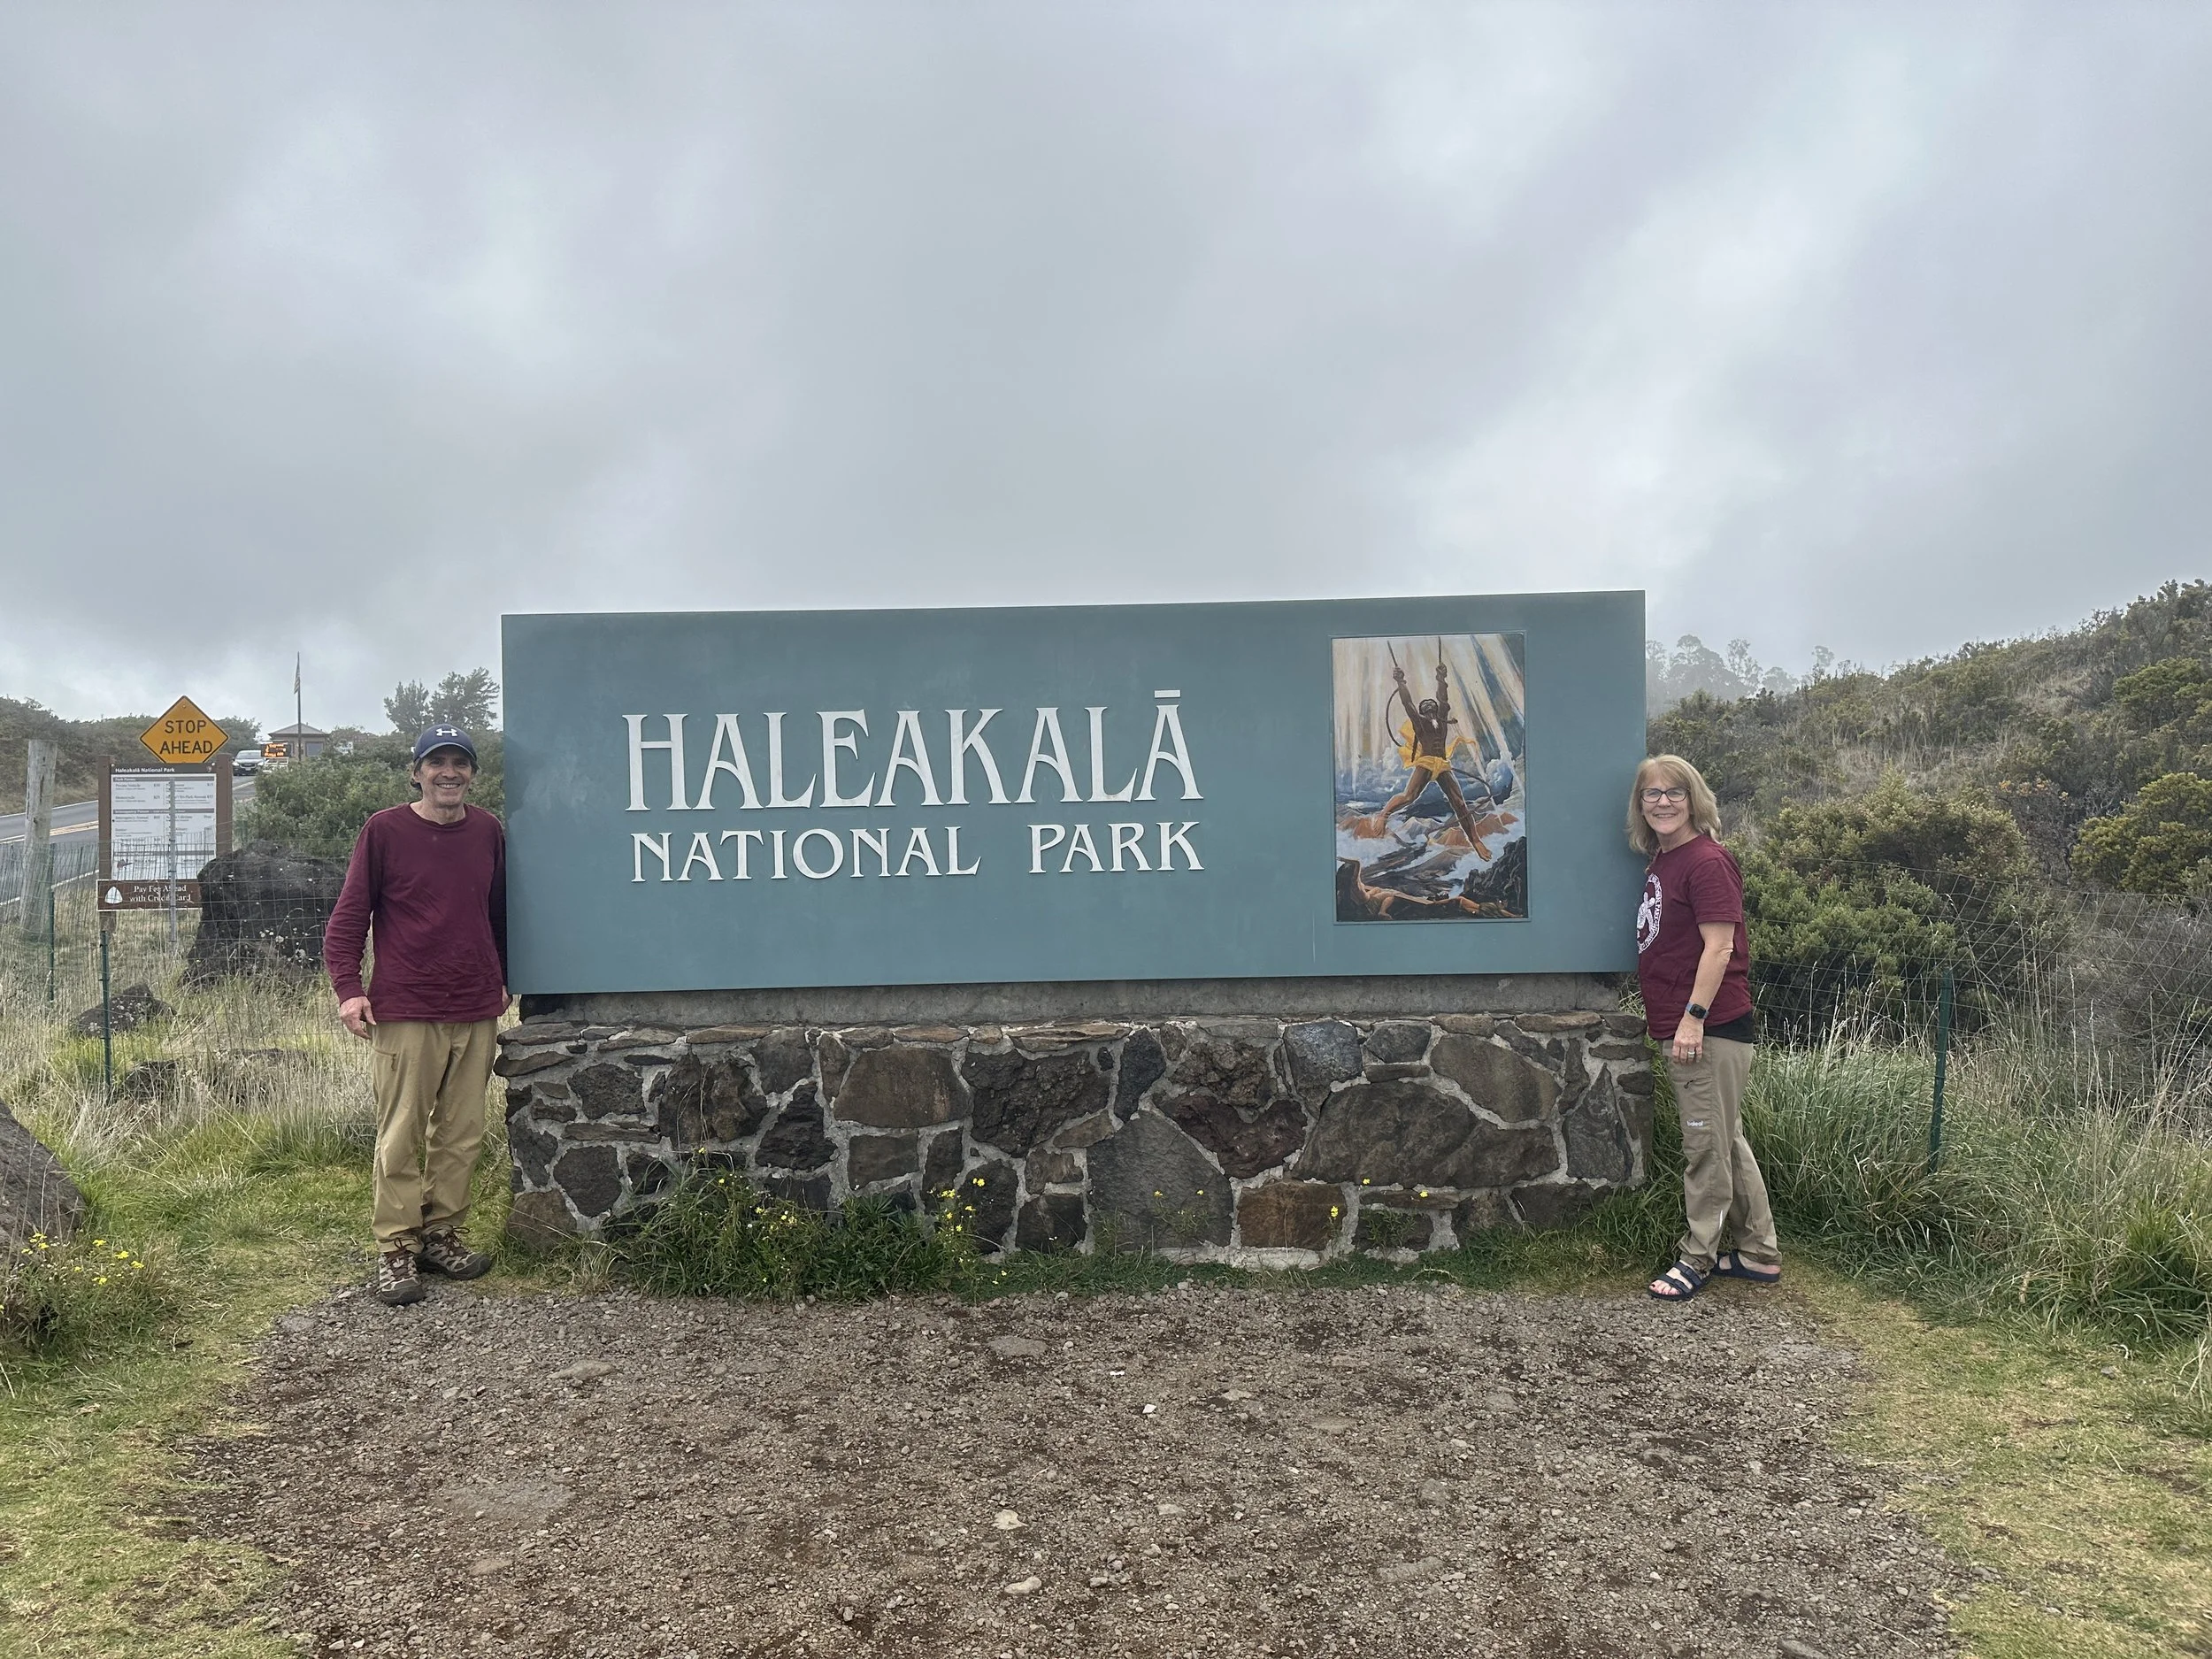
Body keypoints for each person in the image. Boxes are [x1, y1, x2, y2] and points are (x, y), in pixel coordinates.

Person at [325, 726, 508, 1307]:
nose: (448, 772)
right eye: (437, 762)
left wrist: (508, 977)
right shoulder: (385, 830)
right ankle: (396, 1247)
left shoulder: (487, 831)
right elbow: (348, 918)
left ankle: (441, 1234)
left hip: (476, 1006)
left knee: (462, 1133)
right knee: (401, 1132)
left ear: (472, 773)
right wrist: (349, 990)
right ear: (416, 771)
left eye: (459, 762)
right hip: (405, 1006)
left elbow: (500, 911)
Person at [1629, 754, 1781, 1302]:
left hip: (1709, 1025)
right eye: (1652, 793)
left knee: (1704, 1145)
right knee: (1724, 1138)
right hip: (1693, 1023)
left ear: (1694, 800)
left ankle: (1699, 1256)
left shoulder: (1706, 861)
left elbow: (1720, 946)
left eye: (1675, 793)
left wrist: (1692, 1020)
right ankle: (1759, 1253)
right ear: (1640, 804)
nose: (1663, 802)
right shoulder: (1664, 861)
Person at [1373, 656, 1484, 845]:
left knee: (1459, 802)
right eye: (1426, 706)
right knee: (1409, 796)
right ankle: (1384, 814)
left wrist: (1441, 679)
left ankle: (1475, 841)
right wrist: (1401, 682)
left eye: (1431, 704)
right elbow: (1407, 703)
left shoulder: (1441, 720)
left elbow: (1443, 699)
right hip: (1425, 763)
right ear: (1422, 711)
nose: (1430, 705)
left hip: (1442, 764)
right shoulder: (1420, 723)